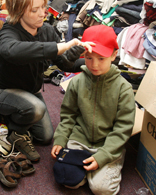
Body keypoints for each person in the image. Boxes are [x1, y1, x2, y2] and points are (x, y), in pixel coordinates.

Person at [0, 0, 94, 163]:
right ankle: (16, 132)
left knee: (45, 138)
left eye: (43, 7)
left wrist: (85, 57)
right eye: (34, 10)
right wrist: (58, 47)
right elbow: (12, 51)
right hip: (1, 92)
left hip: (30, 92)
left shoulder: (46, 31)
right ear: (18, 11)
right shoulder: (8, 32)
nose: (42, 14)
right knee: (36, 109)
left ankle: (16, 116)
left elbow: (64, 64)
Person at [51, 25, 136, 195]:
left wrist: (103, 155)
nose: (94, 65)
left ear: (113, 55)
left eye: (101, 58)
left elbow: (123, 128)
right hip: (79, 139)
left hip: (107, 144)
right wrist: (60, 138)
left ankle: (99, 167)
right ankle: (85, 170)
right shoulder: (76, 82)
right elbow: (68, 115)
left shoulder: (123, 88)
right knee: (69, 180)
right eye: (89, 58)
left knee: (101, 189)